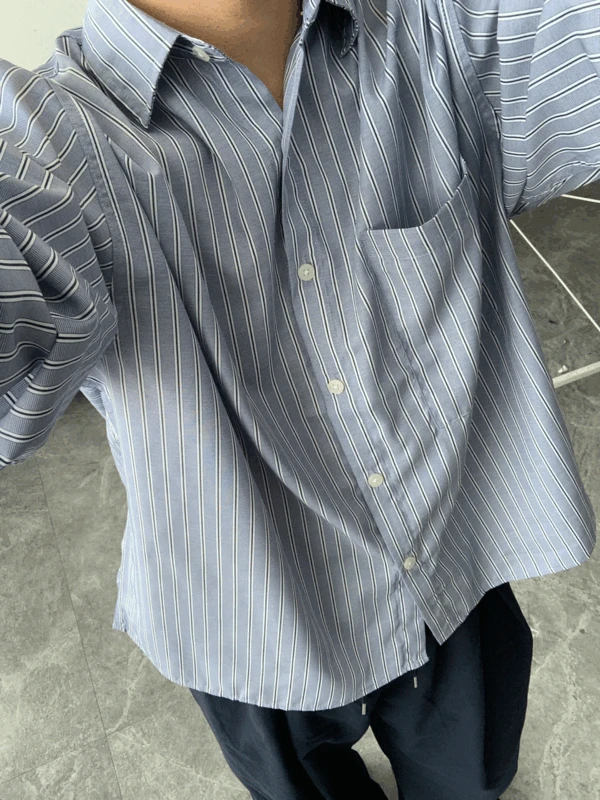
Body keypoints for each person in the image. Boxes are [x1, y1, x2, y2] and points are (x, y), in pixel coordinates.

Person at [0, 0, 598, 798]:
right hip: (252, 616)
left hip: (456, 559)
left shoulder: (449, 32)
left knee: (472, 780)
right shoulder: (51, 148)